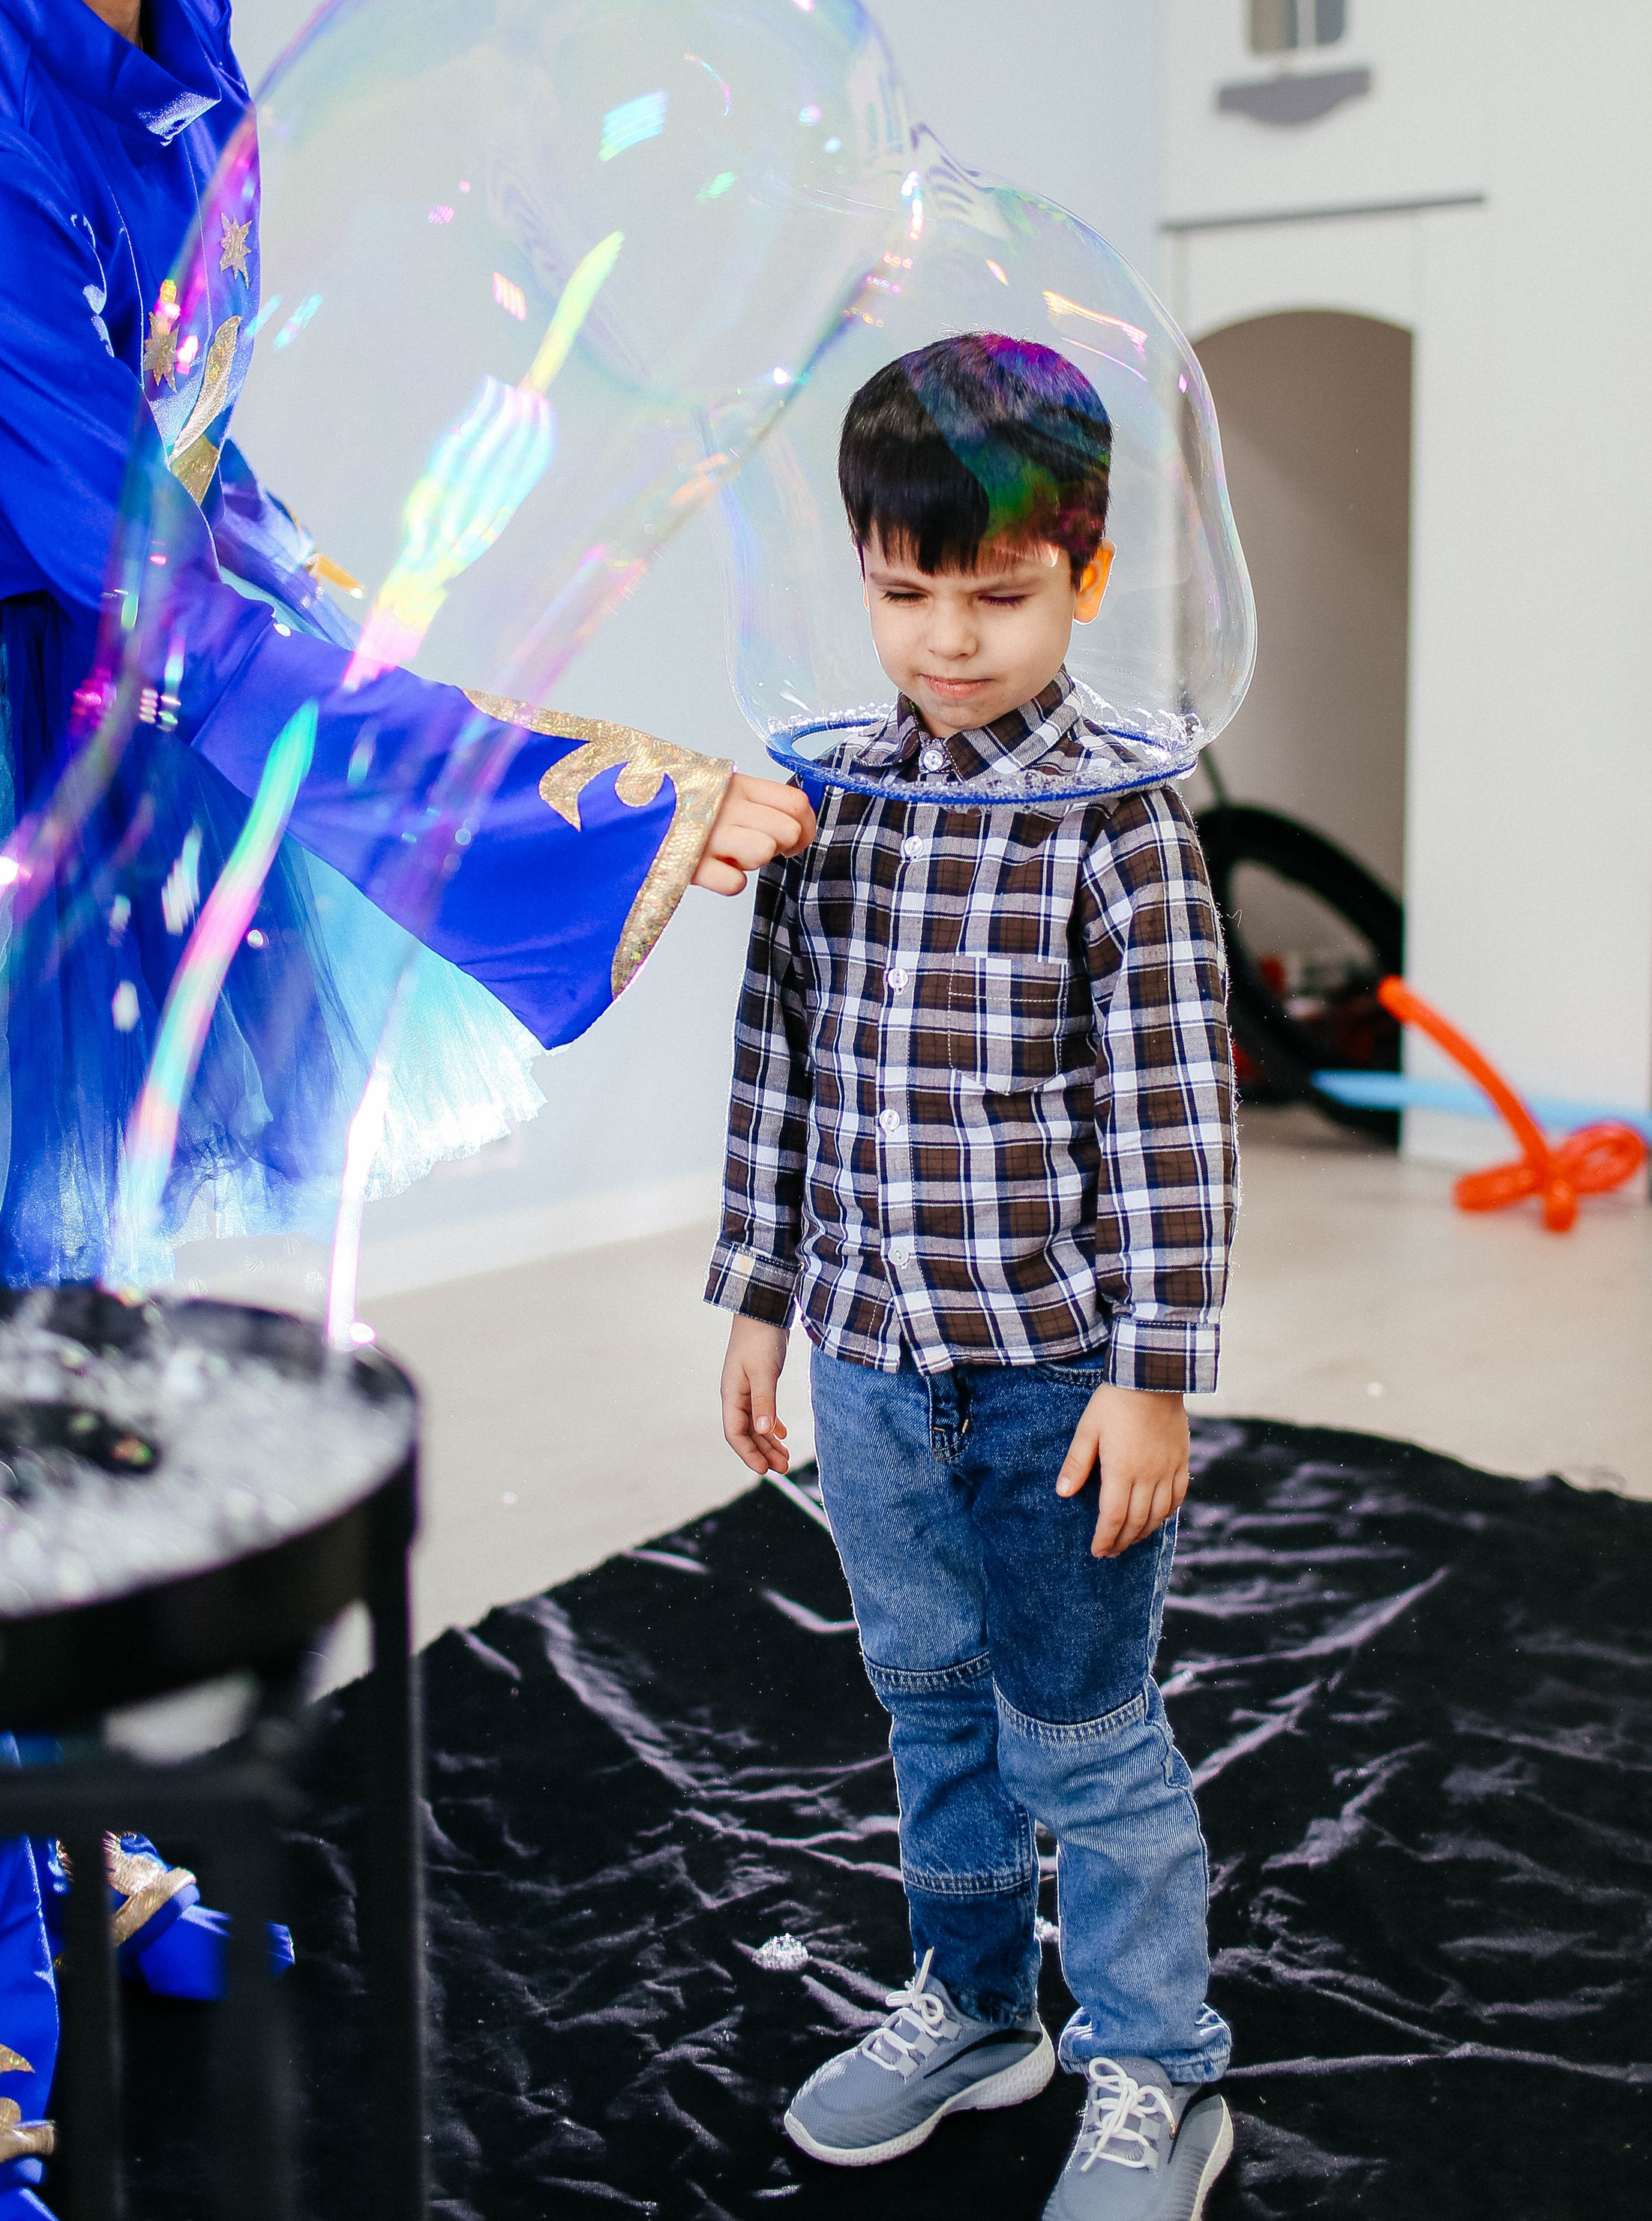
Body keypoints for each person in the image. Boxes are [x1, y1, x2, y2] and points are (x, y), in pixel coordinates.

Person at [0, 0, 808, 2213]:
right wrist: (555, 814)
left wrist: (452, 703)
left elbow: (220, 497)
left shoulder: (189, 57)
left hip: (124, 735)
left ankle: (20, 1846)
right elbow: (143, 581)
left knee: (91, 1316)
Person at [708, 334, 1236, 2219]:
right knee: (924, 1702)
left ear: (1082, 580)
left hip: (1047, 1380)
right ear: (859, 567)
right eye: (903, 589)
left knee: (1079, 1732)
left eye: (997, 596)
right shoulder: (828, 806)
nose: (945, 637)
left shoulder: (1120, 826)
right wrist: (761, 1294)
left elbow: (1176, 1125)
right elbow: (781, 1064)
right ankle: (975, 2001)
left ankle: (1155, 2067)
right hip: (862, 1355)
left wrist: (1151, 1371)